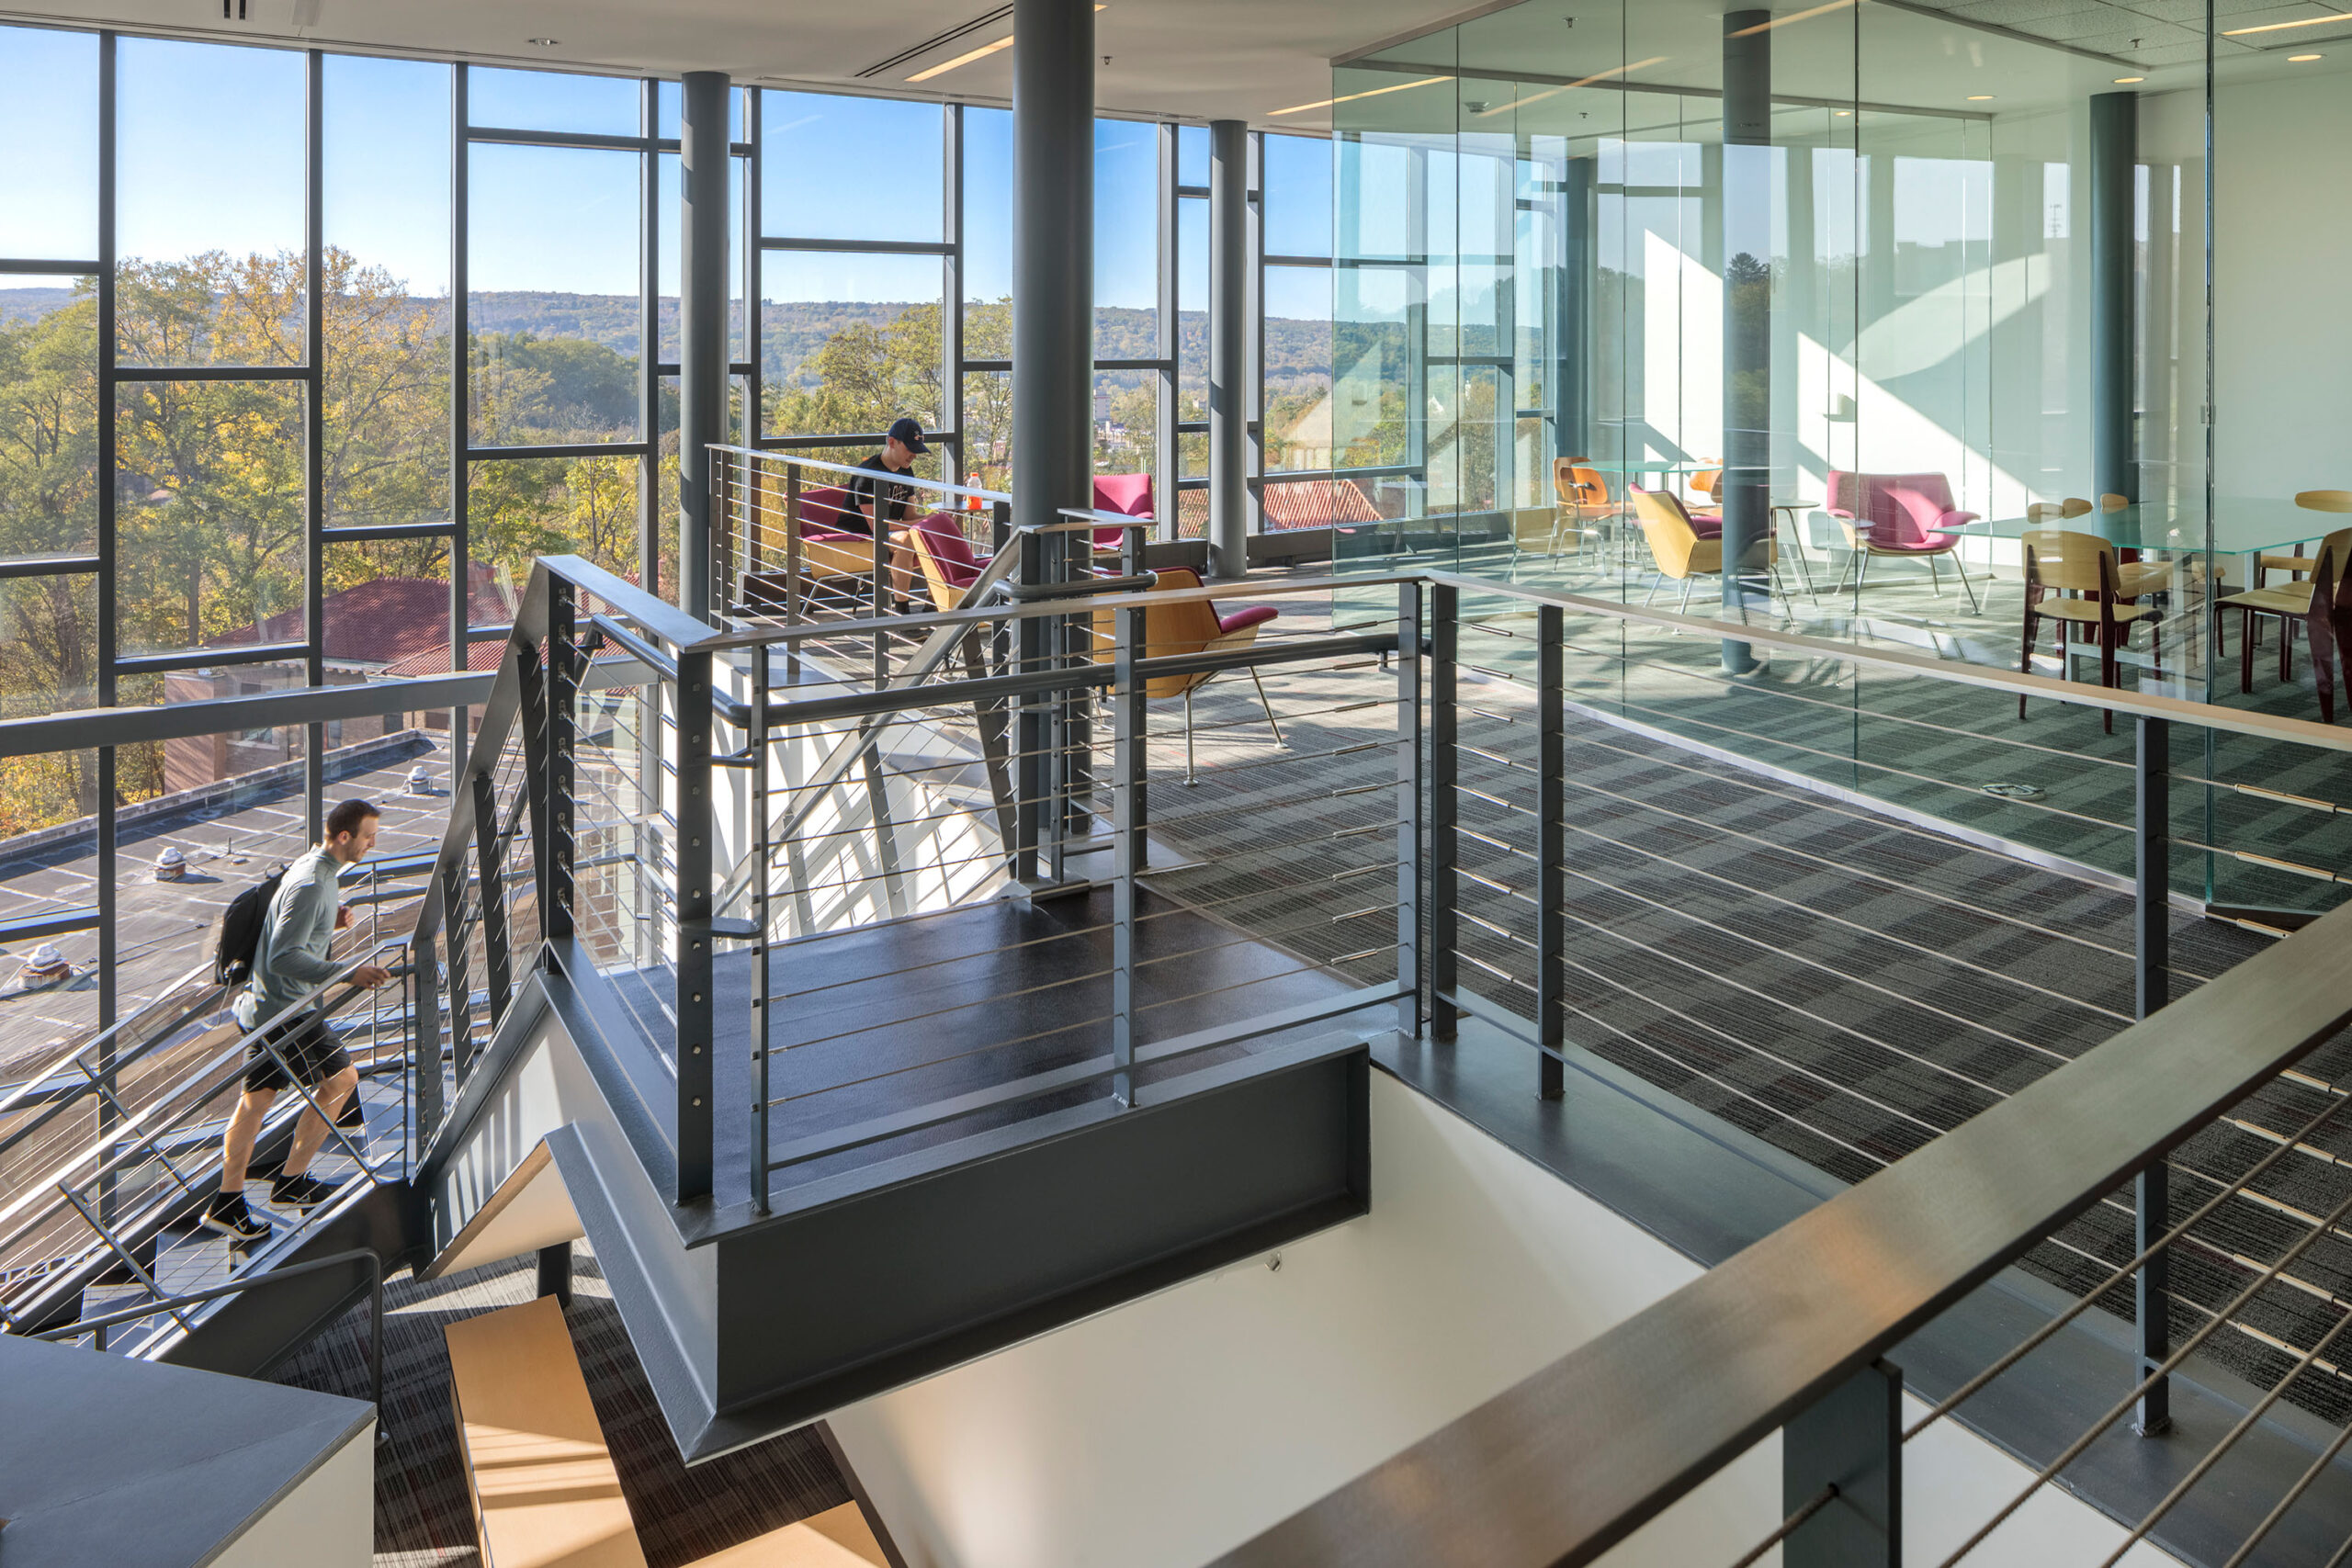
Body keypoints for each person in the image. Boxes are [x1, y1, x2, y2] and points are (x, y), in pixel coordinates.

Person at [199, 799, 392, 1243]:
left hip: (268, 1007)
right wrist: (348, 973)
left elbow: (291, 936)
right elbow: (285, 956)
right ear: (344, 836)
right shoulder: (311, 882)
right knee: (342, 1079)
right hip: (287, 1012)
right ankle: (286, 1183)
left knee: (256, 1102)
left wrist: (331, 926)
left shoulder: (315, 867)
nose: (372, 844)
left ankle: (234, 1199)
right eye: (367, 836)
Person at [838, 415, 928, 536]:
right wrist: (922, 522)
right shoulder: (867, 474)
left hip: (885, 535)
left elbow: (910, 516)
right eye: (910, 448)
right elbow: (877, 525)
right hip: (857, 539)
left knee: (920, 540)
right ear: (892, 442)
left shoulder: (906, 471)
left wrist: (936, 520)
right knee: (905, 540)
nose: (914, 455)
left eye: (917, 450)